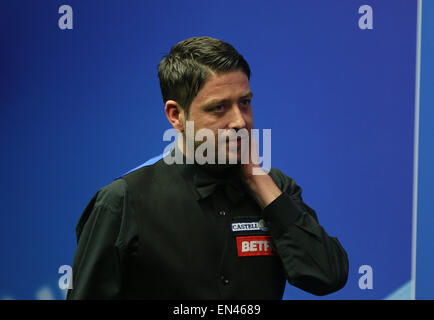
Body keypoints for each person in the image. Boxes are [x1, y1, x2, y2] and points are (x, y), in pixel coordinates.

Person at [66, 36, 349, 299]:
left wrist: (257, 181)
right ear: (175, 115)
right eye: (219, 108)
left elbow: (327, 276)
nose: (240, 121)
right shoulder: (123, 201)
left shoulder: (275, 187)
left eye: (245, 103)